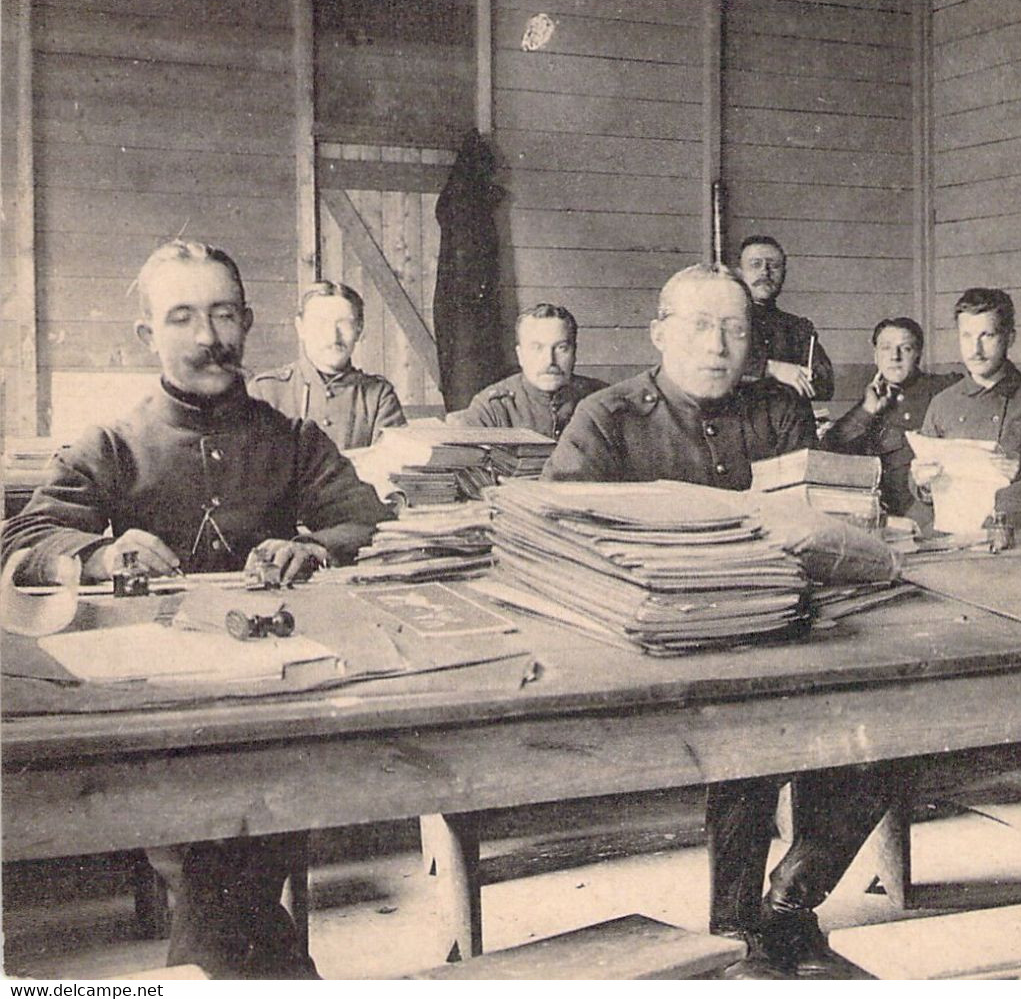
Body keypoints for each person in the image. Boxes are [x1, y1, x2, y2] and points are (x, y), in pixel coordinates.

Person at [1, 241, 390, 978]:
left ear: (246, 323)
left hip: (277, 708)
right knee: (227, 863)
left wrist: (313, 548)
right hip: (158, 721)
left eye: (221, 315)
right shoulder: (112, 442)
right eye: (182, 318)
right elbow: (22, 537)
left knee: (227, 863)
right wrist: (97, 554)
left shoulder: (292, 439)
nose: (208, 337)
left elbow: (369, 521)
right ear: (149, 335)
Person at [544, 264, 885, 979]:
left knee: (897, 714)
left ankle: (791, 902)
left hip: (788, 628)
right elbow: (561, 539)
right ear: (659, 331)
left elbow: (823, 520)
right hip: (660, 647)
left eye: (734, 328)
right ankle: (739, 932)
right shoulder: (607, 418)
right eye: (699, 326)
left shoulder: (778, 412)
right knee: (750, 735)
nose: (717, 344)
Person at [915, 287, 1021, 492]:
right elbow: (922, 487)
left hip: (1014, 522)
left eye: (987, 335)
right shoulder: (942, 403)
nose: (975, 350)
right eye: (966, 336)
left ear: (1009, 338)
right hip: (952, 522)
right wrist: (921, 482)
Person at [248, 280, 407, 450]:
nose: (333, 337)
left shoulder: (378, 397)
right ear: (301, 327)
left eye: (344, 323)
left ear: (359, 329)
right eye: (320, 323)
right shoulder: (265, 391)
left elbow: (390, 468)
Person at [823, 316, 957, 516]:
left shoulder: (945, 389)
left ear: (918, 354)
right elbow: (828, 450)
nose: (895, 356)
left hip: (932, 514)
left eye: (905, 348)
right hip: (882, 517)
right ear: (876, 356)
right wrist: (867, 410)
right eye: (886, 348)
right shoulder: (870, 402)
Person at [451, 302, 609, 438]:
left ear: (574, 352)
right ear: (520, 355)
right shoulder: (492, 408)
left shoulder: (603, 400)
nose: (550, 360)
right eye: (537, 348)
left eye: (561, 348)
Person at [736, 235, 835, 402]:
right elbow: (716, 368)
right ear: (740, 273)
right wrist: (773, 370)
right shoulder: (722, 323)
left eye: (773, 266)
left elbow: (825, 384)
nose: (765, 272)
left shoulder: (798, 328)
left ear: (784, 274)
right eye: (755, 265)